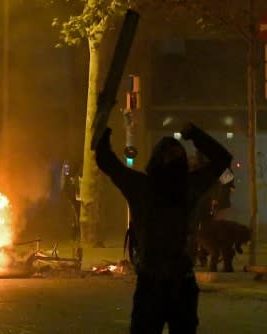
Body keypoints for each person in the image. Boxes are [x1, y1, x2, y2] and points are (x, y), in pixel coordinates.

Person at [92, 122, 232, 334]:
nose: (174, 162)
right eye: (171, 157)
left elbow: (107, 161)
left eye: (177, 157)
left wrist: (103, 134)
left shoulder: (150, 186)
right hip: (158, 281)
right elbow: (222, 160)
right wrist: (196, 135)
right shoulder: (167, 187)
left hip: (171, 281)